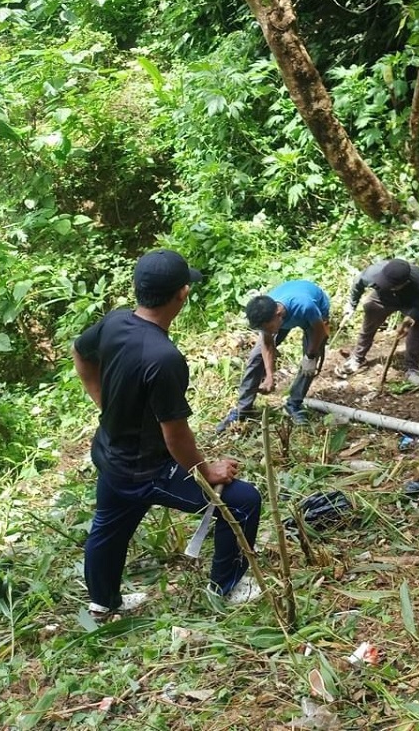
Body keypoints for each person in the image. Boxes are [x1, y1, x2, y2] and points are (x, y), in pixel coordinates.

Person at [73, 249, 262, 615]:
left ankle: (102, 604)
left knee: (107, 529)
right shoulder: (164, 358)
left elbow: (81, 354)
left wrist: (106, 404)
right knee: (242, 500)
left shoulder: (114, 322)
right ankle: (226, 588)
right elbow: (175, 435)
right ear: (182, 294)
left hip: (110, 454)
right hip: (147, 470)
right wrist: (208, 472)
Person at [216, 280, 330, 430]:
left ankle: (294, 404)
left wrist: (310, 355)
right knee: (256, 357)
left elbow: (320, 330)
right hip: (287, 310)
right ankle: (243, 409)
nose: (268, 332)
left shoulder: (305, 306)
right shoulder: (265, 313)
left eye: (269, 328)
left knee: (309, 363)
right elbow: (268, 344)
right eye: (264, 329)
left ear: (278, 315)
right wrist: (270, 376)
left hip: (316, 314)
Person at [335, 259, 419, 386]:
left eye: (390, 284)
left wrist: (409, 319)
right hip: (383, 298)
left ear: (404, 283)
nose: (385, 283)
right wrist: (351, 306)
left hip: (409, 302)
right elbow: (358, 283)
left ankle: (412, 370)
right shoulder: (373, 273)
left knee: (415, 327)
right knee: (370, 311)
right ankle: (357, 358)